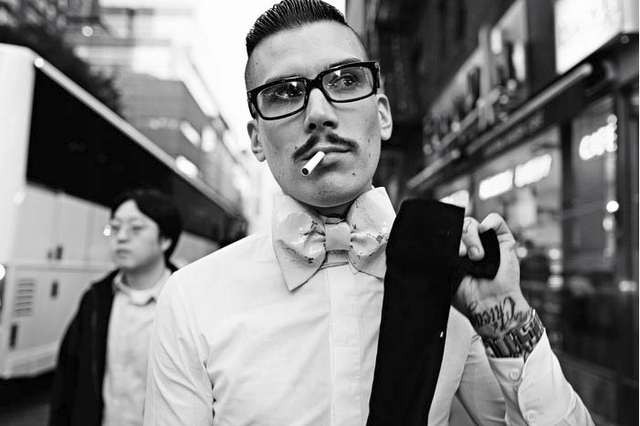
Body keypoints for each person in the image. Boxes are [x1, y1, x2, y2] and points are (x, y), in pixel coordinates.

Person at [144, 1, 593, 425]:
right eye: (284, 93)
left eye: (344, 81)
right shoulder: (193, 299)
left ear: (382, 116)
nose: (319, 113)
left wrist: (504, 315)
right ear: (257, 139)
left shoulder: (447, 275)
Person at [50, 188, 183, 426]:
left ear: (165, 240)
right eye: (114, 227)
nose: (121, 237)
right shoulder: (95, 300)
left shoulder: (187, 304)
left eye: (136, 228)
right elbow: (67, 381)